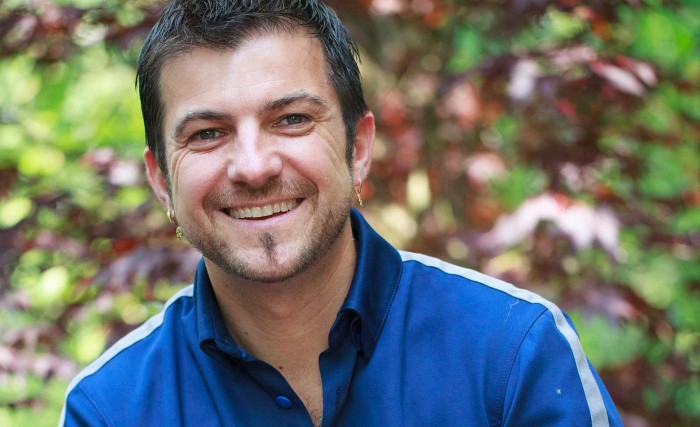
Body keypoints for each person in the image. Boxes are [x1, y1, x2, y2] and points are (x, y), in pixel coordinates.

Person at [60, 0, 622, 425]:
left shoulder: (512, 352)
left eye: (292, 120)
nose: (253, 167)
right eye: (208, 133)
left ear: (357, 148)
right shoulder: (111, 406)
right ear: (161, 179)